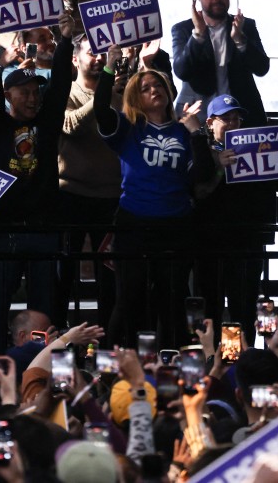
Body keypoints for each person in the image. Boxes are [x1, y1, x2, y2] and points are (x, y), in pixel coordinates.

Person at [0, 0, 78, 354]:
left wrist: (67, 39)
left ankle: (43, 369)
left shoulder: (48, 121)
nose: (34, 96)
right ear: (8, 95)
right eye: (25, 92)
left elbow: (58, 92)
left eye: (37, 91)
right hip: (3, 229)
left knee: (44, 311)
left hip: (41, 228)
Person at [95, 43, 213, 347]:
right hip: (133, 221)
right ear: (137, 98)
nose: (153, 90)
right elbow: (100, 110)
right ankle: (115, 361)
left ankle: (172, 360)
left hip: (175, 224)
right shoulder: (128, 127)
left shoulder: (182, 131)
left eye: (158, 84)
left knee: (172, 298)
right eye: (145, 88)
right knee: (128, 296)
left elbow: (201, 176)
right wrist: (109, 67)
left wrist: (197, 133)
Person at [193, 93, 278, 338]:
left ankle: (243, 362)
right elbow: (199, 191)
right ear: (210, 123)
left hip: (248, 240)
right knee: (212, 306)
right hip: (211, 242)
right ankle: (214, 360)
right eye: (225, 118)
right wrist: (220, 167)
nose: (232, 123)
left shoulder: (254, 149)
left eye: (236, 118)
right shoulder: (201, 150)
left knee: (244, 307)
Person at [57, 34, 123, 330]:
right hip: (71, 194)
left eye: (102, 54)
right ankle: (57, 343)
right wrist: (104, 92)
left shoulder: (119, 95)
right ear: (75, 59)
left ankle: (109, 345)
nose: (98, 58)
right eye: (91, 53)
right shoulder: (64, 92)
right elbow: (69, 125)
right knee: (63, 276)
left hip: (110, 197)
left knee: (109, 277)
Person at [171, 0, 270, 125]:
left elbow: (262, 68)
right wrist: (197, 35)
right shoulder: (183, 29)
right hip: (197, 115)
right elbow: (181, 71)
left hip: (241, 115)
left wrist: (240, 40)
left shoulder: (245, 25)